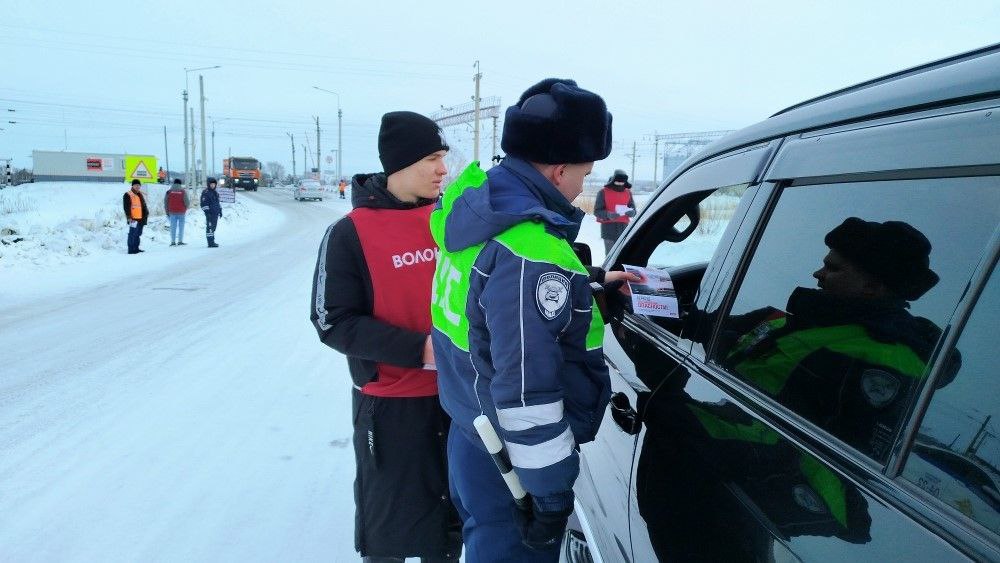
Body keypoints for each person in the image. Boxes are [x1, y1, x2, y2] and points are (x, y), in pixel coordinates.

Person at [430, 79, 627, 561]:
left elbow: (488, 309)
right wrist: (550, 493)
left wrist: (583, 284)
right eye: (585, 173)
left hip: (472, 431)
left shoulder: (480, 214)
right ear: (560, 171)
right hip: (514, 462)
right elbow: (526, 395)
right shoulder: (532, 256)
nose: (586, 185)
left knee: (484, 540)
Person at [310, 111, 461, 563]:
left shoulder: (454, 222)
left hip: (459, 398)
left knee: (451, 518)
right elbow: (331, 320)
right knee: (391, 527)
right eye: (432, 158)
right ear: (400, 163)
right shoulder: (349, 233)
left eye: (443, 158)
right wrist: (420, 349)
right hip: (392, 404)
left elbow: (511, 273)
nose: (443, 169)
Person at [716, 217, 949, 462]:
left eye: (833, 268)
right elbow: (706, 327)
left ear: (870, 286)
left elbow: (829, 453)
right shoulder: (804, 321)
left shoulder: (877, 357)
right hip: (733, 440)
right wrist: (669, 291)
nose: (818, 273)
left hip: (755, 469)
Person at [593, 169, 636, 253]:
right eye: (617, 182)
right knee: (610, 253)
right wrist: (608, 214)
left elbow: (633, 209)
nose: (620, 184)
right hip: (608, 228)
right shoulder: (603, 192)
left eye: (622, 183)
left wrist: (632, 212)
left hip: (624, 227)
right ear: (613, 181)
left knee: (622, 253)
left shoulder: (628, 193)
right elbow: (597, 211)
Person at [122, 179, 148, 254]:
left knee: (138, 234)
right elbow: (126, 207)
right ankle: (131, 249)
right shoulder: (128, 194)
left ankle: (136, 248)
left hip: (141, 218)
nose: (137, 186)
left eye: (139, 185)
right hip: (133, 218)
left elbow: (143, 206)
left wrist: (146, 213)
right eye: (136, 185)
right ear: (132, 185)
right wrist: (129, 217)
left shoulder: (140, 194)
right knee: (132, 234)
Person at [164, 178, 189, 246]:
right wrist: (184, 209)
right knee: (181, 227)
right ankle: (180, 241)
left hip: (172, 213)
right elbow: (187, 202)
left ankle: (173, 242)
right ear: (180, 184)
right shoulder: (183, 192)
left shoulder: (169, 192)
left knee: (173, 227)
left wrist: (167, 212)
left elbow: (165, 202)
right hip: (181, 213)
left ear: (173, 183)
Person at [200, 177, 222, 248]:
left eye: (214, 184)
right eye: (211, 184)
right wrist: (207, 213)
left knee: (213, 228)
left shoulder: (215, 193)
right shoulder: (206, 193)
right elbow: (203, 204)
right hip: (209, 214)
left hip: (215, 213)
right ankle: (210, 243)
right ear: (208, 184)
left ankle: (212, 240)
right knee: (209, 228)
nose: (213, 185)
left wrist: (220, 210)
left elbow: (217, 203)